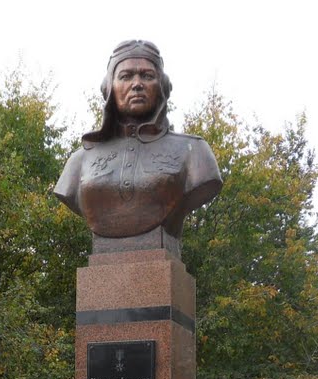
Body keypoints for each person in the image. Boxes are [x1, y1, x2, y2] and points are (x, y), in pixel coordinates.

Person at [54, 40, 222, 255]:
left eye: (147, 76)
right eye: (125, 76)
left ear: (162, 85)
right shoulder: (80, 160)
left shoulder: (194, 150)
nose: (137, 84)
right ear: (109, 88)